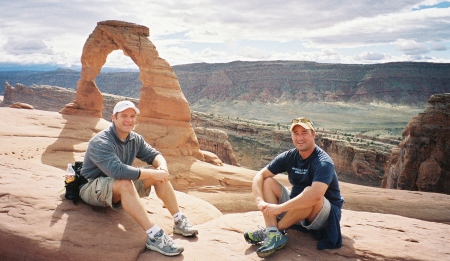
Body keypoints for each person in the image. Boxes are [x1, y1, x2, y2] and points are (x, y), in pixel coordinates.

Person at [79, 100, 198, 257]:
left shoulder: (135, 138)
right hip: (91, 187)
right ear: (113, 118)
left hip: (115, 185)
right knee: (125, 183)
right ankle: (154, 236)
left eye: (132, 116)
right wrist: (153, 174)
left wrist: (162, 168)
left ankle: (178, 220)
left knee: (156, 175)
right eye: (124, 116)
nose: (129, 120)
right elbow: (117, 171)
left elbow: (155, 155)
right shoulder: (101, 141)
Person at [243, 117, 344, 258]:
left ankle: (271, 231)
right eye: (296, 133)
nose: (300, 137)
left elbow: (315, 195)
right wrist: (260, 201)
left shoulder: (323, 162)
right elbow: (260, 175)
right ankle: (274, 234)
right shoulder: (290, 156)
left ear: (313, 134)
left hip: (322, 214)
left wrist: (279, 209)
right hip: (297, 206)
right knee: (268, 181)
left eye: (304, 132)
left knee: (308, 194)